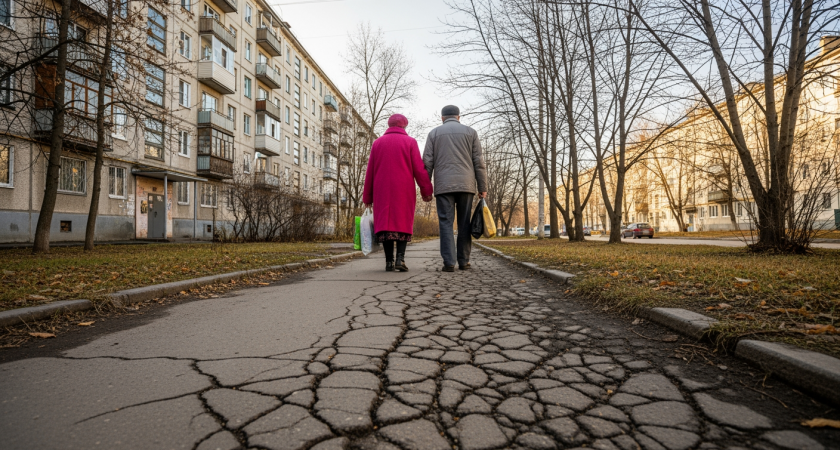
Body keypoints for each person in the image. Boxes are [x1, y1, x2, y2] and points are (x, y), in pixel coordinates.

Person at [363, 114, 434, 272]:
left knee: (385, 226)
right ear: (404, 126)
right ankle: (400, 259)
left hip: (381, 191)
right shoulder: (410, 142)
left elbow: (370, 172)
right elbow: (419, 169)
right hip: (403, 190)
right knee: (402, 223)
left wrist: (367, 196)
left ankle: (389, 262)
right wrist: (426, 190)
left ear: (389, 125)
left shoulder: (377, 143)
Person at [423, 105, 487, 272]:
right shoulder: (471, 132)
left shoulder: (434, 134)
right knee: (464, 223)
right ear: (459, 117)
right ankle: (464, 261)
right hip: (466, 185)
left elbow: (427, 163)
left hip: (443, 186)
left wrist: (426, 188)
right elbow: (479, 162)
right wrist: (482, 186)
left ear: (442, 118)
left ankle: (449, 263)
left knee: (445, 223)